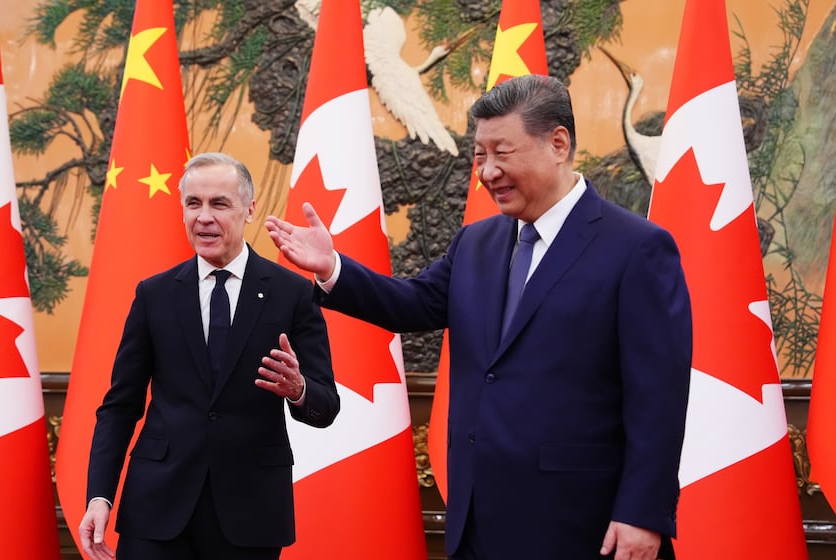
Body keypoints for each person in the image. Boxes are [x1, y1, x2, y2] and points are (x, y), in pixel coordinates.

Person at [266, 74, 692, 560]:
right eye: (479, 156)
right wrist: (333, 268)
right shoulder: (477, 241)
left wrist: (642, 513)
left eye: (501, 153)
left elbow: (658, 397)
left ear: (558, 144)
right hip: (478, 518)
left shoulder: (636, 248)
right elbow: (413, 303)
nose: (487, 171)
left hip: (580, 521)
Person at [80, 152, 340, 560]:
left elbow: (326, 407)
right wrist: (99, 497)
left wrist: (299, 389)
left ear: (249, 209)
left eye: (219, 203)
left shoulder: (292, 294)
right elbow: (119, 407)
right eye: (193, 203)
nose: (203, 217)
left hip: (250, 516)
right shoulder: (155, 295)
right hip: (156, 512)